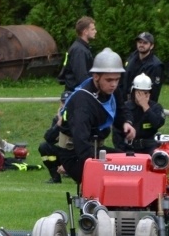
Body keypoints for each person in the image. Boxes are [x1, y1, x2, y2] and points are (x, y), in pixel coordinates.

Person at [55, 47, 136, 184]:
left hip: (95, 148)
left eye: (117, 79)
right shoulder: (83, 103)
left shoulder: (110, 90)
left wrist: (126, 122)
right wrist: (104, 165)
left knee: (132, 162)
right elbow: (81, 144)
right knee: (112, 177)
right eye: (109, 80)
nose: (114, 84)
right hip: (74, 154)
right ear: (96, 77)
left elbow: (121, 110)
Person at [113, 73, 165, 154]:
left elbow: (158, 123)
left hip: (150, 148)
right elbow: (117, 133)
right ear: (133, 92)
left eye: (145, 93)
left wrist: (146, 107)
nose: (142, 97)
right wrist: (122, 151)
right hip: (129, 149)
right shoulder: (125, 107)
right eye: (139, 93)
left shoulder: (155, 107)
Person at [38, 91, 73, 184]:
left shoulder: (77, 117)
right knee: (44, 147)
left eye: (68, 102)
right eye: (63, 102)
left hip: (75, 153)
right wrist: (58, 124)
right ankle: (55, 177)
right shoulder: (58, 118)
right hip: (63, 150)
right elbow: (49, 138)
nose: (65, 105)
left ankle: (75, 175)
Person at [57, 16, 96, 95]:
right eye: (92, 29)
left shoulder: (82, 48)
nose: (95, 31)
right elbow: (82, 77)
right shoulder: (79, 50)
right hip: (76, 93)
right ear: (85, 31)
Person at [120, 32, 163, 102]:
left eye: (145, 43)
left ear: (151, 46)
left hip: (142, 105)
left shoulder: (156, 65)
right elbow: (123, 79)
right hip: (125, 103)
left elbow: (154, 92)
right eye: (139, 42)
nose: (141, 45)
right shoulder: (131, 58)